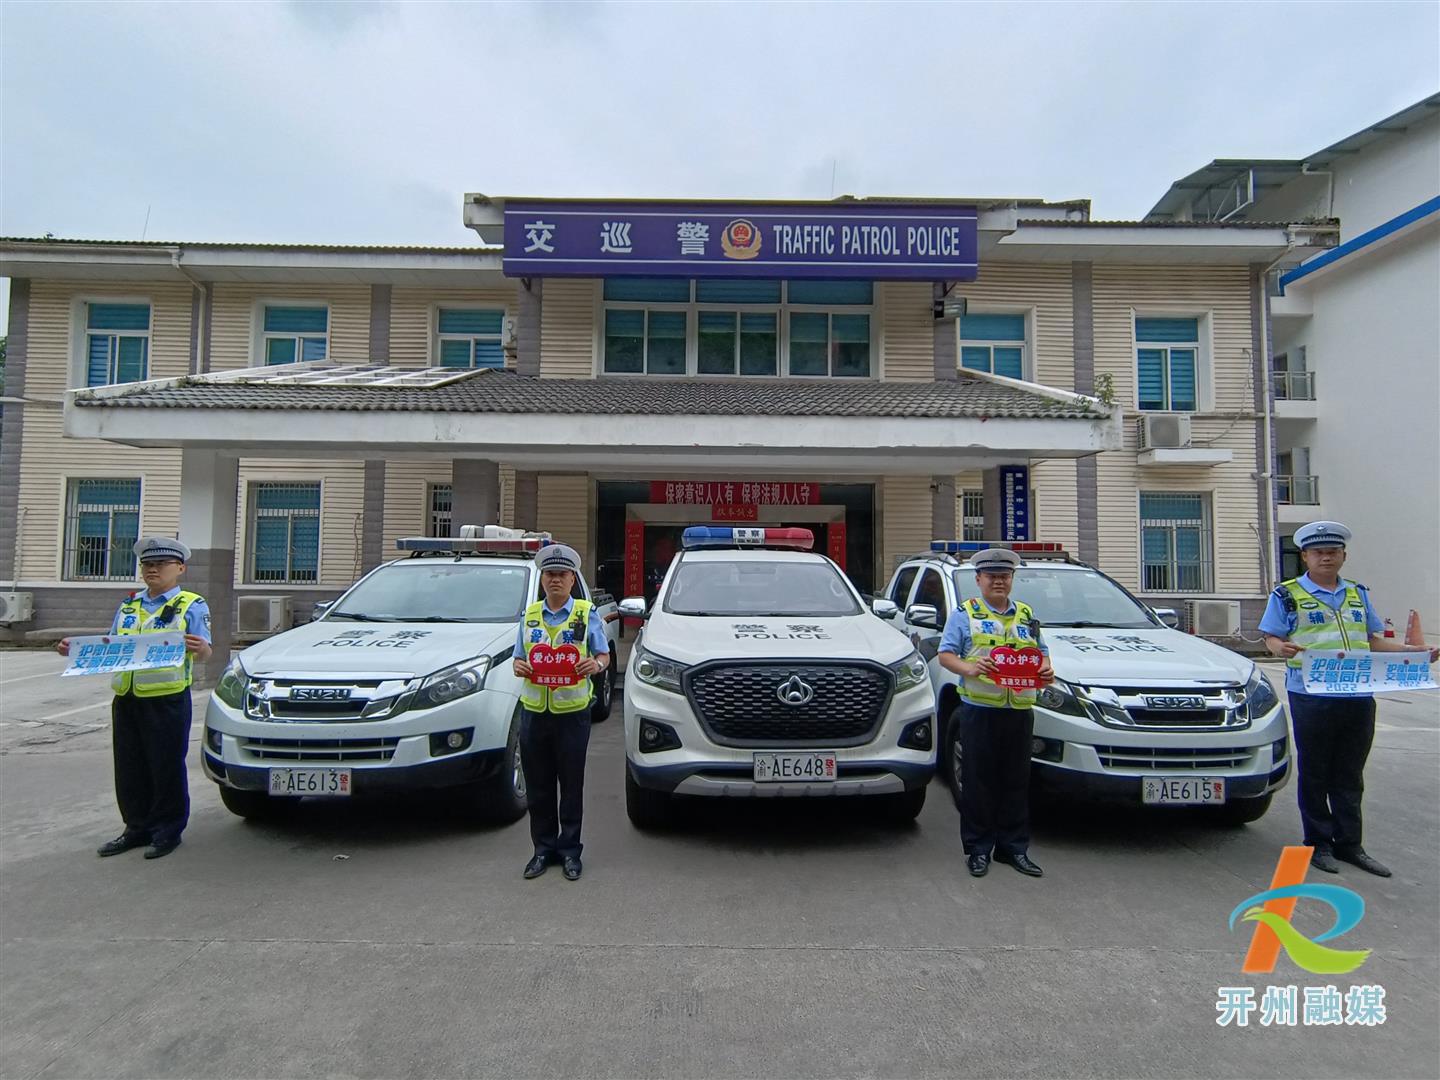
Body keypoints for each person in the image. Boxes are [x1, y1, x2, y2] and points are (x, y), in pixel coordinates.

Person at [1259, 520, 1438, 877]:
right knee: (1316, 771)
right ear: (1306, 556)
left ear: (1343, 555)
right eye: (1318, 552)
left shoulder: (1358, 593)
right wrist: (1282, 649)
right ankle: (1318, 844)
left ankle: (1350, 844)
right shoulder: (1287, 594)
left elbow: (1371, 641)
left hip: (1357, 693)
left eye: (1333, 552)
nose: (1326, 557)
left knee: (1350, 772)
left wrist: (1414, 652)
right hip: (1311, 694)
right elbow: (1271, 638)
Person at [56, 537, 212, 859]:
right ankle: (135, 828)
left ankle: (168, 830)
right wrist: (76, 649)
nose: (152, 570)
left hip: (166, 699)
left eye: (161, 564)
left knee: (165, 766)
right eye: (147, 565)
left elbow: (206, 652)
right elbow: (112, 645)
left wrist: (202, 650)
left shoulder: (191, 605)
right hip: (127, 698)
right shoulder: (129, 605)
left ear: (179, 568)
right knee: (129, 766)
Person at [936, 547, 1054, 879]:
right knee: (979, 782)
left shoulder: (1026, 615)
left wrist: (1046, 670)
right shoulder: (965, 614)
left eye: (1005, 576)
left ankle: (1013, 849)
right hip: (979, 710)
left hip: (1018, 710)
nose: (999, 582)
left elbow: (1041, 654)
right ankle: (978, 849)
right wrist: (970, 668)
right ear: (979, 580)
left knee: (1016, 781)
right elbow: (947, 655)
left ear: (1012, 580)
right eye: (992, 577)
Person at [511, 543, 611, 882]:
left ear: (571, 580)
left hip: (572, 714)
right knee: (538, 786)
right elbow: (518, 657)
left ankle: (570, 851)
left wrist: (595, 664)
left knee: (570, 785)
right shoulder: (530, 617)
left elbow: (604, 656)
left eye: (562, 575)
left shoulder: (586, 613)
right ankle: (542, 850)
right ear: (542, 581)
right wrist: (519, 666)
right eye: (550, 575)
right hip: (534, 712)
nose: (555, 580)